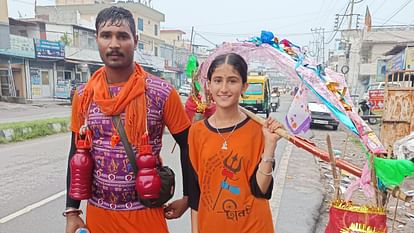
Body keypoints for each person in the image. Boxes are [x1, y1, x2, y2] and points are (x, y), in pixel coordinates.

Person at [64, 6, 191, 233]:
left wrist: (188, 196)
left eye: (122, 36)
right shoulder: (84, 96)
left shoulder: (161, 92)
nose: (114, 44)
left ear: (136, 40)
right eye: (106, 36)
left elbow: (188, 144)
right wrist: (72, 212)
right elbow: (76, 152)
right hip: (99, 215)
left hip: (146, 214)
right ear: (97, 40)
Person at [188, 53, 284, 233]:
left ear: (244, 86)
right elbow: (195, 192)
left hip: (253, 227)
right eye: (217, 80)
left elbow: (261, 189)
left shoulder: (259, 130)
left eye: (232, 81)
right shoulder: (196, 132)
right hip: (211, 226)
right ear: (209, 85)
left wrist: (270, 146)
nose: (224, 88)